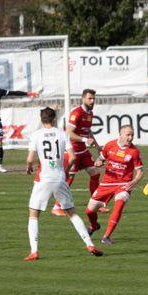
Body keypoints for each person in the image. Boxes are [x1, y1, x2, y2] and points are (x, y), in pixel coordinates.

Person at [24, 107, 103, 261]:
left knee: (33, 215)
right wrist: (66, 171)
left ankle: (34, 251)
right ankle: (89, 244)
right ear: (54, 119)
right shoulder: (62, 134)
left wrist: (28, 167)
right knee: (72, 214)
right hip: (59, 177)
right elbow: (72, 157)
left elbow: (30, 159)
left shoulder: (36, 135)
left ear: (41, 119)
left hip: (43, 178)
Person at [85, 125, 143, 245]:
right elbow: (100, 159)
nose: (130, 137)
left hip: (124, 184)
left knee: (119, 204)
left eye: (132, 135)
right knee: (89, 211)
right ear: (120, 134)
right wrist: (98, 162)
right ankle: (94, 226)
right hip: (107, 183)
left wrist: (134, 182)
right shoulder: (110, 145)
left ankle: (106, 236)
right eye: (128, 135)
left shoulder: (134, 151)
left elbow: (140, 172)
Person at [52, 88, 103, 216]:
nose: (92, 101)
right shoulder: (77, 113)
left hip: (83, 150)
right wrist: (85, 139)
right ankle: (56, 207)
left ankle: (95, 204)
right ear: (83, 99)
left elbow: (87, 130)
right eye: (89, 98)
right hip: (72, 150)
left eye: (93, 99)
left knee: (95, 174)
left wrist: (97, 146)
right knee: (69, 179)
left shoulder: (90, 113)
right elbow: (68, 133)